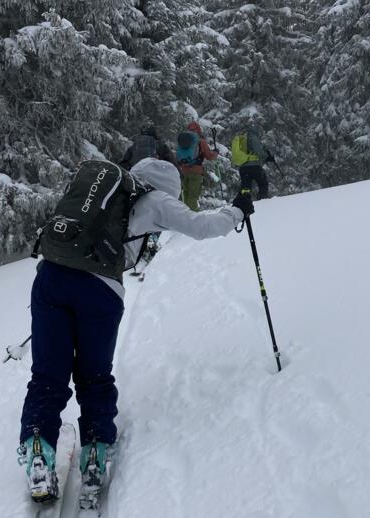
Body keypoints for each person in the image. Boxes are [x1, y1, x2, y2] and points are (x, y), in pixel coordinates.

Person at [18, 157, 255, 506]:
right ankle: (96, 458)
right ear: (169, 188)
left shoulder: (103, 190)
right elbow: (202, 227)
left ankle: (38, 450)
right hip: (100, 291)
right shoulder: (157, 201)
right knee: (94, 377)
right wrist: (238, 210)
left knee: (47, 378)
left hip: (51, 278)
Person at [175, 121, 219, 211]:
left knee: (186, 195)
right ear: (198, 130)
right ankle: (193, 217)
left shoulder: (182, 141)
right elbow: (209, 156)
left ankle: (185, 215)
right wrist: (215, 153)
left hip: (184, 171)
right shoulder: (200, 141)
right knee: (193, 196)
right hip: (196, 171)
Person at [231, 127, 275, 200]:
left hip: (243, 167)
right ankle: (263, 201)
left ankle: (243, 202)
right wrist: (267, 157)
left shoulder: (242, 139)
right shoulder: (253, 137)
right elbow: (258, 152)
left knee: (245, 187)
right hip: (254, 167)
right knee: (263, 184)